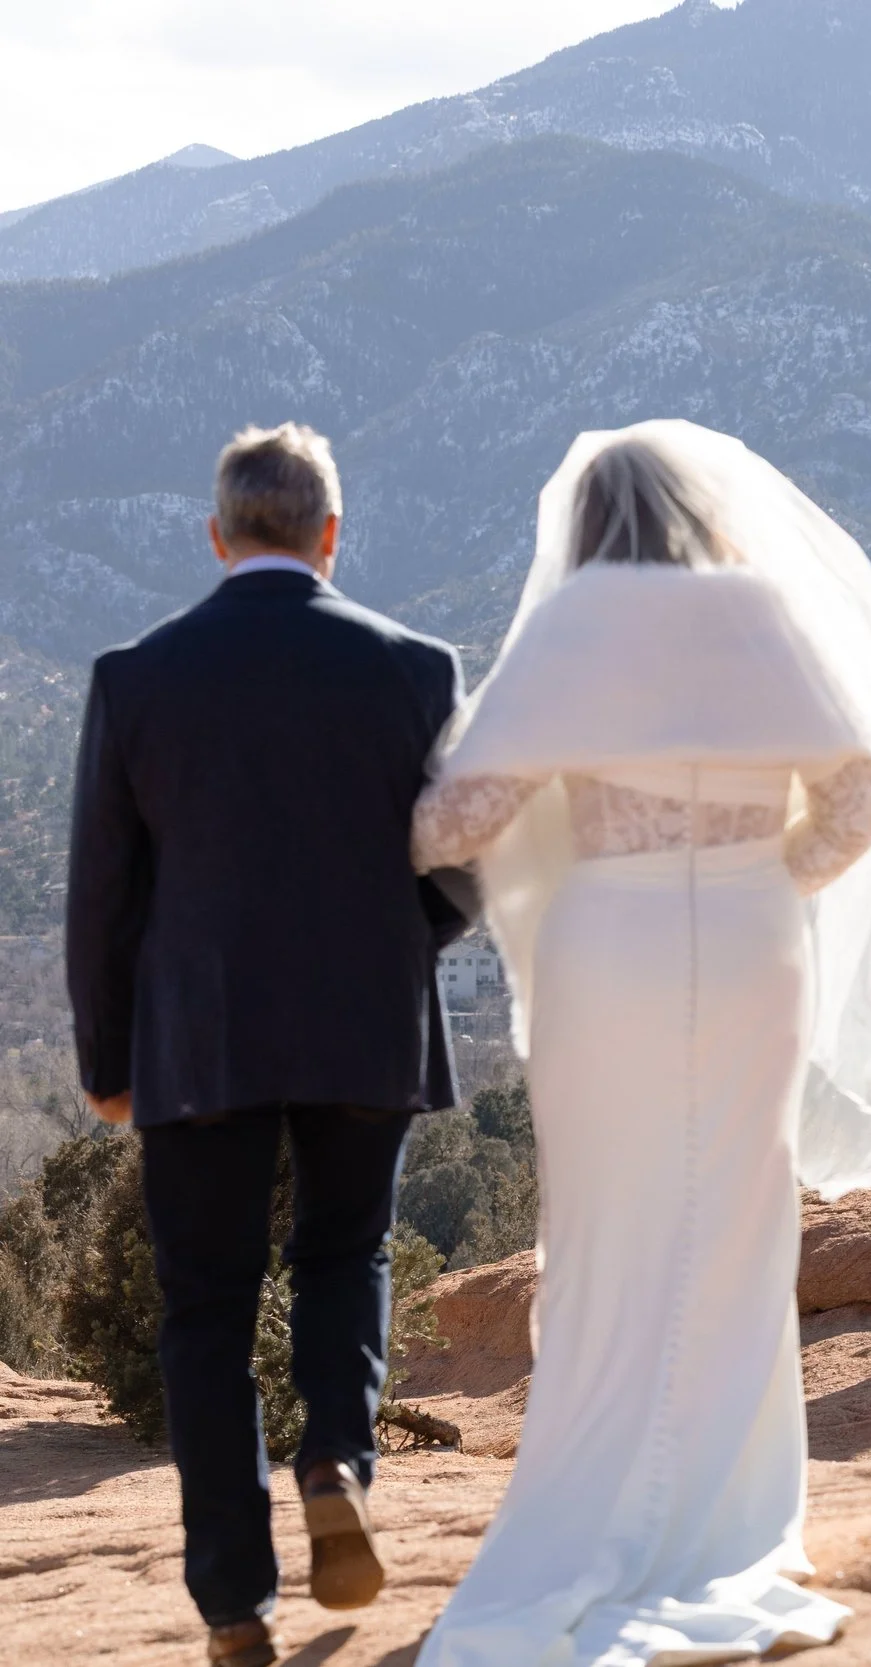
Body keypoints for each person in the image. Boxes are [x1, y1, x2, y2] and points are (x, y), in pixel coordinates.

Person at [407, 422, 871, 1666]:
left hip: (613, 946)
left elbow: (461, 821)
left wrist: (385, 799)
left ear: (587, 520)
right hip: (757, 939)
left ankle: (600, 1500)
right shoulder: (763, 612)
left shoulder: (577, 623)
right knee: (737, 1209)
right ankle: (731, 1511)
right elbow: (864, 798)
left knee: (613, 1219)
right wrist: (770, 874)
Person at [65, 424, 474, 1667]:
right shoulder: (415, 667)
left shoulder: (137, 676)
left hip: (198, 1038)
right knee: (345, 1253)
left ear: (219, 534)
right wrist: (395, 948)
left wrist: (106, 1060)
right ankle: (337, 1457)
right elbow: (462, 861)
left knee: (205, 1311)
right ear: (331, 534)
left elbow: (104, 894)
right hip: (364, 1017)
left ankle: (235, 1606)